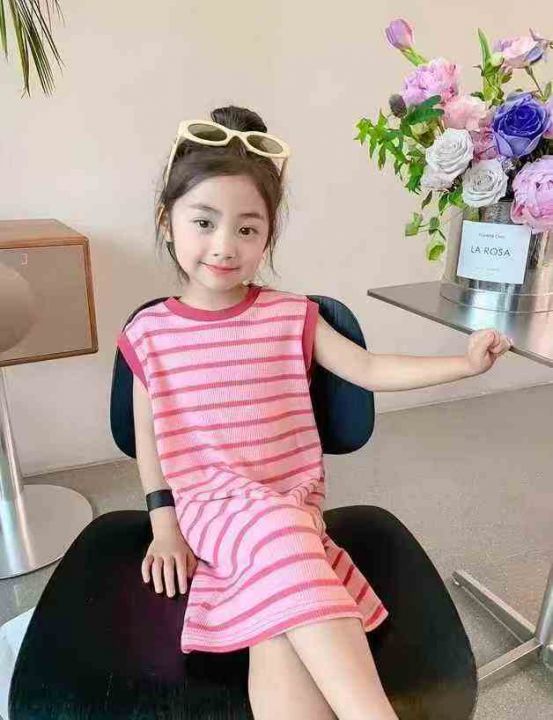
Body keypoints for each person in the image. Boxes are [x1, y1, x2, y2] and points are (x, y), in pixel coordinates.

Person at [116, 105, 512, 720]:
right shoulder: (148, 333)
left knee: (277, 626)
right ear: (168, 222)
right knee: (280, 547)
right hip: (212, 509)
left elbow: (368, 368)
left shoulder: (291, 314)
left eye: (247, 229)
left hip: (291, 504)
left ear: (268, 237)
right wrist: (163, 525)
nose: (224, 246)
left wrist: (463, 365)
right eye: (204, 222)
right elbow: (150, 440)